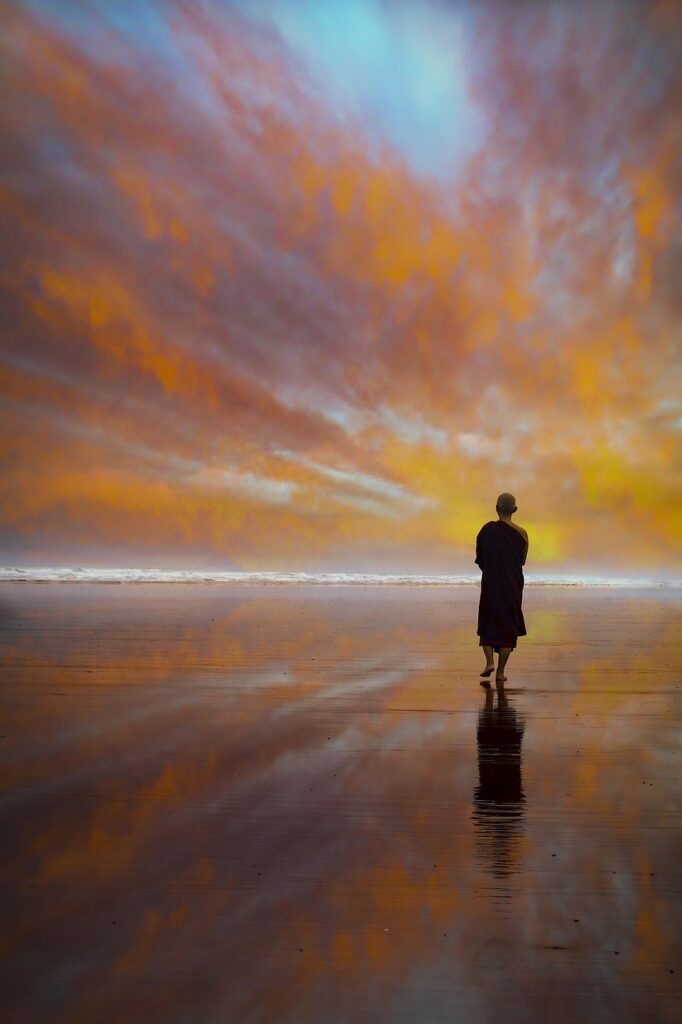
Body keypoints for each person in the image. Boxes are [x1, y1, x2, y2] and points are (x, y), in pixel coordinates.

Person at [475, 493, 528, 683]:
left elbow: (480, 559)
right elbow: (522, 561)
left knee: (488, 620)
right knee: (508, 624)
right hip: (512, 584)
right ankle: (500, 672)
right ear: (515, 510)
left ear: (496, 508)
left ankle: (489, 661)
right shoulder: (522, 533)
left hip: (490, 582)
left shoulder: (486, 530)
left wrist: (491, 570)